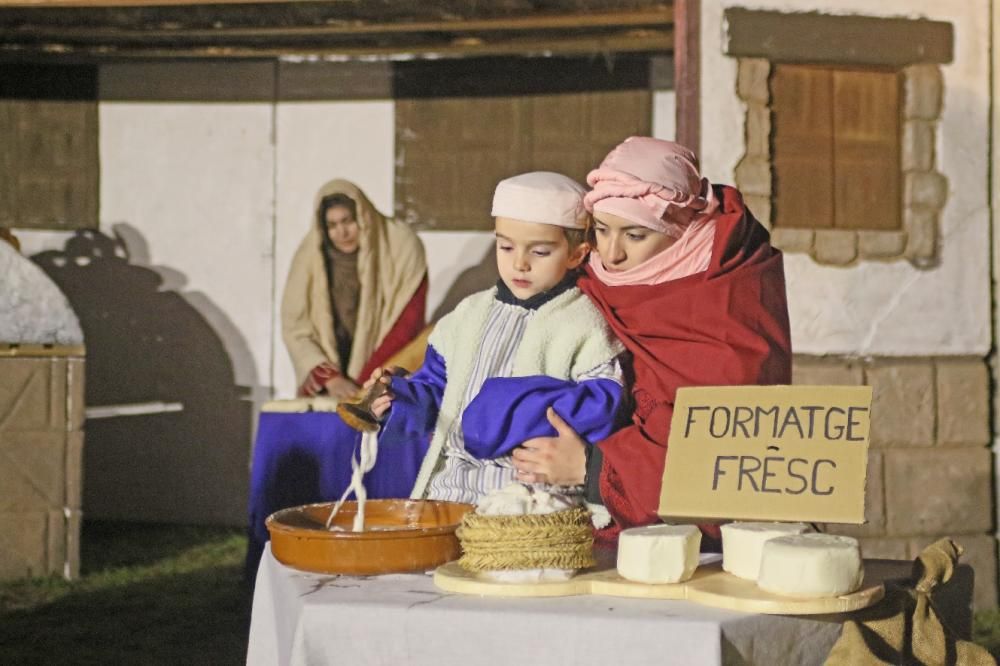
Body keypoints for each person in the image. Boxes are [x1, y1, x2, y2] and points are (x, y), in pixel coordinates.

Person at [510, 137, 792, 545]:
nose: (612, 253)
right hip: (576, 524)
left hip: (698, 545)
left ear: (679, 231)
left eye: (635, 235)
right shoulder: (591, 281)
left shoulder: (728, 299)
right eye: (602, 230)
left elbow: (727, 454)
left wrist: (591, 467)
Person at [368, 171, 626, 504]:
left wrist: (519, 408)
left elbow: (605, 400)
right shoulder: (468, 315)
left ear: (577, 254)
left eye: (540, 252)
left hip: (528, 498)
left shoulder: (583, 320)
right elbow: (436, 389)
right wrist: (398, 398)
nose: (520, 263)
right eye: (506, 246)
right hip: (450, 494)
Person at [281, 179, 427, 399]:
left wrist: (366, 385)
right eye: (332, 225)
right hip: (331, 385)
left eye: (347, 221)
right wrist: (329, 378)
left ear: (362, 215)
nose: (342, 232)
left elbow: (407, 321)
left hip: (383, 376)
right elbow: (295, 327)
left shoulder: (401, 246)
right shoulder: (309, 257)